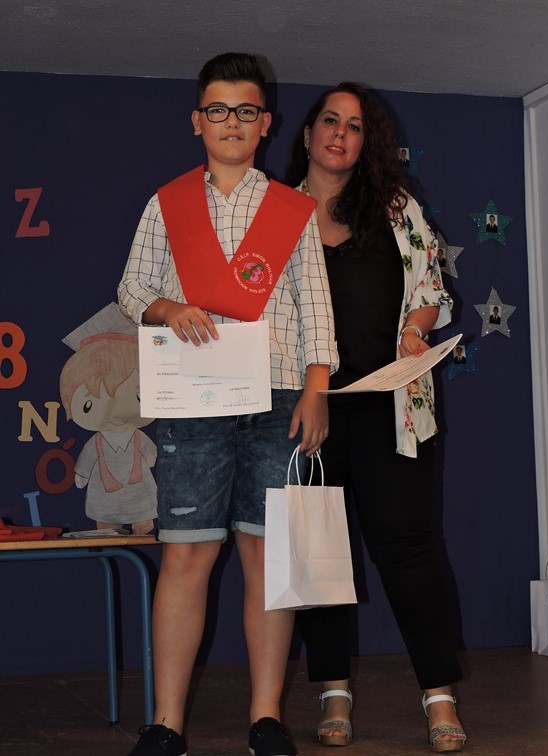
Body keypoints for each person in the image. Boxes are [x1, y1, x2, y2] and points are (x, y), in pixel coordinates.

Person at [118, 52, 338, 756]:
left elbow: (315, 307)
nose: (231, 122)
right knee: (186, 557)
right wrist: (166, 307)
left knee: (267, 558)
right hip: (195, 400)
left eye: (246, 110)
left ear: (265, 123)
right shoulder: (167, 203)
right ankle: (167, 723)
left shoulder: (293, 211)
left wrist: (317, 390)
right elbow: (130, 288)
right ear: (197, 121)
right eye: (218, 110)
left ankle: (265, 718)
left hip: (280, 400)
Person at [286, 82, 466, 753]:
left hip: (392, 405)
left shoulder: (395, 207)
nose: (340, 133)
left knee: (410, 551)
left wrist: (416, 330)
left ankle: (439, 696)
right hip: (307, 411)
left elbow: (429, 287)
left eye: (354, 125)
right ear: (307, 134)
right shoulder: (274, 214)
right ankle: (333, 690)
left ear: (366, 143)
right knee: (319, 552)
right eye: (329, 120)